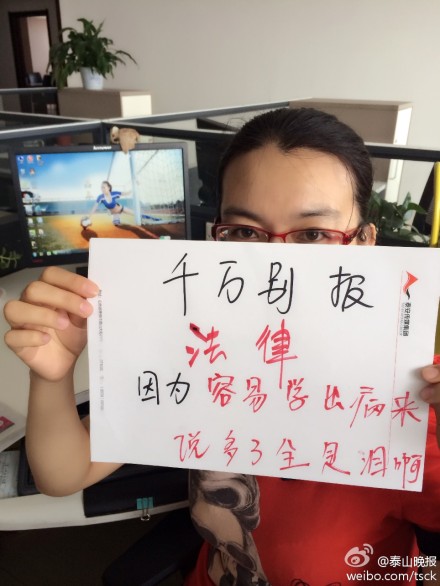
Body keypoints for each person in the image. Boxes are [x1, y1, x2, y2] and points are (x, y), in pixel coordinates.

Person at [4, 107, 440, 586]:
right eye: (246, 232)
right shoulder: (199, 352)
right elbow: (64, 474)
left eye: (313, 234)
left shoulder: (419, 397)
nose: (275, 267)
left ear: (365, 242)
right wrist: (52, 375)